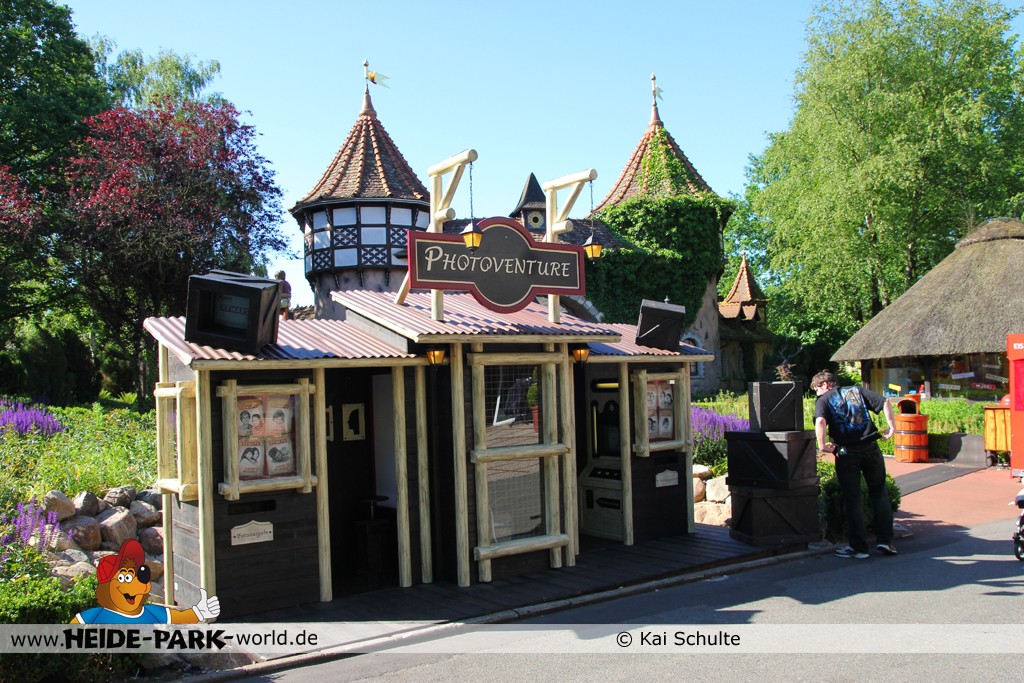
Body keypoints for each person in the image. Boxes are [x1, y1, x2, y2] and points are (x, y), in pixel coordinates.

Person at [811, 369, 898, 559]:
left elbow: (820, 421)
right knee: (879, 493)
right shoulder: (857, 390)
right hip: (871, 447)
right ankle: (885, 541)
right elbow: (885, 402)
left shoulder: (824, 400)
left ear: (824, 384)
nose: (817, 393)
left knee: (852, 499)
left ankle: (859, 548)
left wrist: (822, 445)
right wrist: (892, 427)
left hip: (846, 452)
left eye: (816, 389)